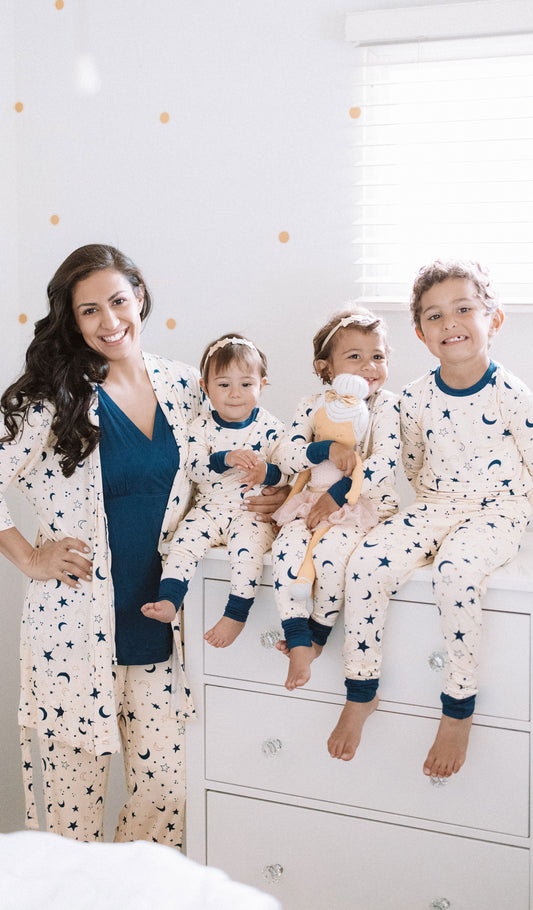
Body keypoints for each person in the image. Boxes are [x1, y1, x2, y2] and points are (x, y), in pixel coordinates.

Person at [0, 245, 286, 846]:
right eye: (89, 311)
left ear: (141, 297)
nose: (109, 321)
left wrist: (269, 494)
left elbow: (222, 472)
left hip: (160, 624)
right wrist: (29, 556)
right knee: (70, 822)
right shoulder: (51, 398)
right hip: (74, 630)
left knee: (169, 794)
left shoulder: (187, 385)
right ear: (71, 321)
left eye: (119, 301)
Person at [328, 260, 533, 778]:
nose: (451, 323)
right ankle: (362, 688)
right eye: (436, 317)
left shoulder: (512, 395)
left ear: (495, 319)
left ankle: (458, 704)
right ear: (421, 333)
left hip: (500, 510)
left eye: (464, 309)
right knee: (367, 562)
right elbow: (411, 464)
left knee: (455, 573)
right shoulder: (413, 399)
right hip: (435, 507)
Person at [271, 308, 400, 690]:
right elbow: (287, 454)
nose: (369, 366)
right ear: (325, 367)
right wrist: (322, 448)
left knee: (333, 558)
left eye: (377, 356)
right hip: (310, 502)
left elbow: (386, 459)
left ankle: (317, 636)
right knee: (287, 550)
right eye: (355, 356)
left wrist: (340, 494)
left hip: (360, 507)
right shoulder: (312, 404)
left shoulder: (386, 406)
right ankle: (296, 636)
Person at [142, 333, 287, 648]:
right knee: (182, 545)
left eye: (246, 384)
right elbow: (195, 468)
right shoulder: (201, 427)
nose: (235, 394)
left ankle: (236, 613)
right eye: (224, 385)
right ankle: (169, 599)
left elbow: (287, 474)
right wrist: (225, 458)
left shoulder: (272, 427)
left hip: (251, 512)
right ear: (206, 388)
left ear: (262, 384)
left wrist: (267, 472)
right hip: (209, 510)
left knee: (246, 554)